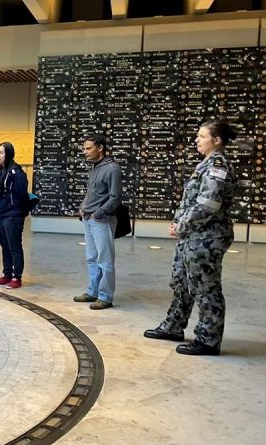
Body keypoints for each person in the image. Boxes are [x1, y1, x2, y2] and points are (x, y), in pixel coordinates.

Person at [144, 119, 237, 356]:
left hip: (207, 238)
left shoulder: (218, 166)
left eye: (202, 136)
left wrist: (182, 225)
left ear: (217, 140)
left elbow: (208, 205)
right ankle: (174, 326)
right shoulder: (205, 165)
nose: (197, 139)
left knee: (205, 287)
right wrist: (180, 225)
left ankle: (208, 339)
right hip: (192, 235)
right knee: (182, 282)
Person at [73, 134, 121, 310]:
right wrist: (83, 207)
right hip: (88, 218)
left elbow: (115, 198)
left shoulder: (112, 168)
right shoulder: (94, 167)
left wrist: (98, 213)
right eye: (84, 148)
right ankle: (93, 291)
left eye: (88, 148)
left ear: (100, 148)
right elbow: (92, 193)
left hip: (102, 220)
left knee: (105, 259)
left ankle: (105, 296)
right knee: (92, 258)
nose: (85, 152)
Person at [0, 142, 29, 289]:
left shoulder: (17, 173)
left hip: (13, 216)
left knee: (14, 246)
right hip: (1, 215)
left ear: (9, 154)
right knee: (5, 246)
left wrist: (18, 212)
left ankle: (17, 277)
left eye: (1, 152)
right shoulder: (0, 171)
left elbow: (21, 195)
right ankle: (7, 274)